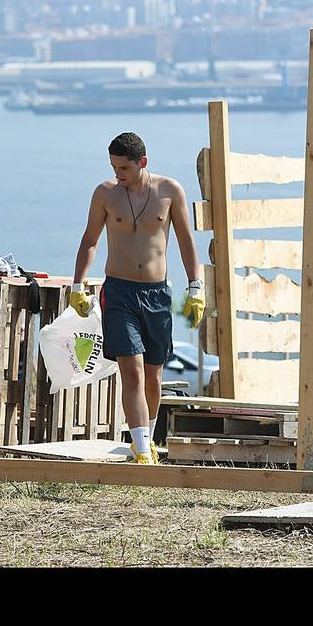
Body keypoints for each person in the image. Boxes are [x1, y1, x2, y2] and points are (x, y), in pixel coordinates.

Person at [70, 132, 205, 465]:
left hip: (157, 293)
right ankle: (142, 448)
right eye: (114, 168)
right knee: (131, 370)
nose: (118, 175)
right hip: (118, 292)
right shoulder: (105, 194)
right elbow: (90, 240)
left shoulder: (169, 190)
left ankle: (149, 440)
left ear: (142, 162)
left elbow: (187, 242)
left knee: (153, 374)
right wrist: (77, 285)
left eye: (124, 168)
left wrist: (196, 287)